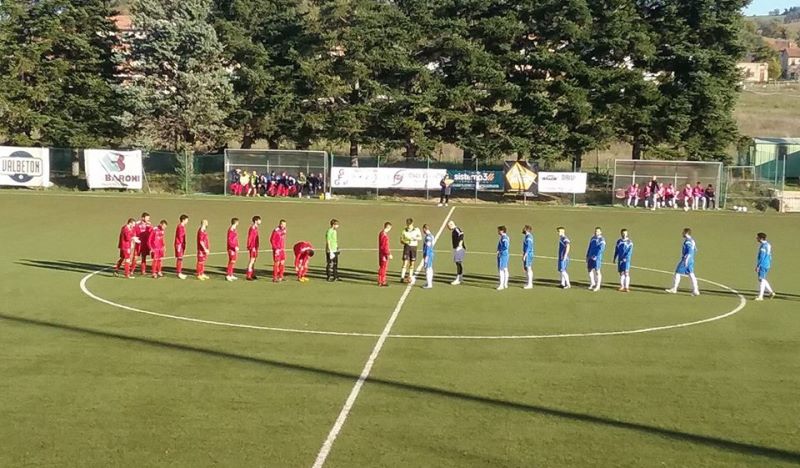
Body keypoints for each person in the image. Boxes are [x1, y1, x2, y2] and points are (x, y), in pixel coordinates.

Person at [665, 228, 699, 296]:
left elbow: (689, 252)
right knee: (691, 274)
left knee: (677, 273)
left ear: (686, 233)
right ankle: (696, 290)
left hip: (686, 259)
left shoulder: (688, 242)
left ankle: (674, 289)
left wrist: (686, 260)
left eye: (683, 232)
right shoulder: (692, 240)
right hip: (691, 260)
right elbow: (695, 249)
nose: (682, 233)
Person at [399, 218, 422, 283]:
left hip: (414, 247)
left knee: (412, 263)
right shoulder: (404, 231)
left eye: (409, 224)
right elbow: (401, 240)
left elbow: (420, 238)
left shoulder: (416, 230)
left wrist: (414, 238)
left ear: (412, 223)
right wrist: (405, 241)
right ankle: (402, 277)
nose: (408, 226)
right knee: (405, 263)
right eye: (407, 224)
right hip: (407, 247)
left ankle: (410, 276)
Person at [754, 232, 776, 301]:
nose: (756, 238)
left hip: (763, 264)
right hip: (767, 263)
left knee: (761, 279)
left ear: (761, 238)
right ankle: (771, 292)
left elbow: (762, 257)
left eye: (757, 237)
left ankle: (761, 296)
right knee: (761, 279)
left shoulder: (763, 246)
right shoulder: (768, 244)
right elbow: (769, 255)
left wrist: (758, 266)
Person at [586, 227, 606, 292]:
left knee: (597, 271)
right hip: (590, 256)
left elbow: (601, 249)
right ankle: (592, 283)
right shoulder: (592, 238)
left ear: (600, 232)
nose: (596, 232)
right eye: (595, 231)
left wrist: (596, 256)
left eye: (597, 231)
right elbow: (589, 247)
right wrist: (587, 255)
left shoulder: (602, 240)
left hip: (597, 258)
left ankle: (598, 286)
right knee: (589, 269)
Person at [448, 220, 465, 285]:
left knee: (458, 263)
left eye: (448, 226)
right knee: (458, 263)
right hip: (456, 248)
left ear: (451, 225)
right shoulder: (454, 230)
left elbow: (461, 234)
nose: (448, 227)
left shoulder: (456, 229)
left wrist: (460, 243)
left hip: (459, 248)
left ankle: (458, 279)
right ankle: (460, 277)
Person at [246, 216, 261, 280]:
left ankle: (252, 274)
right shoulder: (252, 228)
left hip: (255, 246)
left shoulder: (255, 228)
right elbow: (250, 238)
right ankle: (248, 275)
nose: (260, 221)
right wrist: (251, 247)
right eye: (259, 220)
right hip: (253, 247)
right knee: (252, 260)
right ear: (256, 221)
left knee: (254, 260)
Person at [174, 214, 189, 279]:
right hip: (179, 245)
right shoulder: (180, 227)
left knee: (181, 258)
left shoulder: (182, 227)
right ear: (183, 220)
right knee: (179, 258)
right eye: (186, 220)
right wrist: (180, 245)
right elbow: (180, 237)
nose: (187, 221)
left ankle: (179, 272)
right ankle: (178, 273)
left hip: (181, 244)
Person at [378, 222, 393, 287]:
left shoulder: (381, 233)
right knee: (383, 268)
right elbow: (384, 247)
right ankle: (382, 281)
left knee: (382, 267)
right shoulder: (384, 236)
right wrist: (388, 254)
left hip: (381, 253)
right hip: (384, 254)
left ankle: (381, 281)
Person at [496, 226, 510, 290]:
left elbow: (505, 246)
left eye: (499, 230)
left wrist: (500, 251)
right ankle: (505, 284)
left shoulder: (504, 238)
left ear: (502, 231)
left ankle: (501, 285)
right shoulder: (505, 237)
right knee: (505, 269)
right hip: (505, 255)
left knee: (501, 270)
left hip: (503, 255)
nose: (498, 232)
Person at [421, 224, 435, 289]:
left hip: (428, 255)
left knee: (427, 269)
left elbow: (428, 248)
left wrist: (426, 256)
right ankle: (429, 282)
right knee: (429, 268)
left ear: (424, 229)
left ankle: (429, 284)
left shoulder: (428, 237)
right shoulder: (431, 236)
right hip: (430, 254)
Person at [521, 225, 534, 289]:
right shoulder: (527, 236)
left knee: (528, 268)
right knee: (526, 268)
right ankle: (528, 282)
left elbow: (528, 247)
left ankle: (530, 284)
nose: (523, 229)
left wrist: (525, 255)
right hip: (527, 253)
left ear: (526, 229)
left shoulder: (529, 237)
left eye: (524, 228)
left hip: (528, 254)